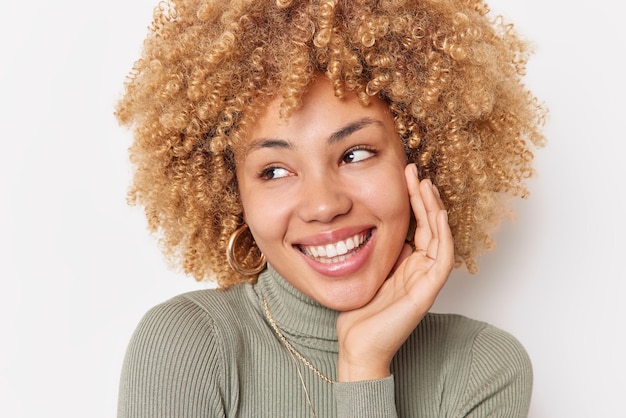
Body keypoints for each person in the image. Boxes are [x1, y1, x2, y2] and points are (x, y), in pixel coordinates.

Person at [115, 0, 545, 416]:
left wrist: (363, 368)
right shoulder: (189, 344)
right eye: (274, 171)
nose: (323, 206)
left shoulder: (482, 369)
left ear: (420, 159)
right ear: (235, 197)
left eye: (356, 154)